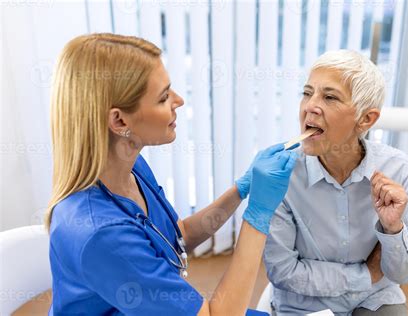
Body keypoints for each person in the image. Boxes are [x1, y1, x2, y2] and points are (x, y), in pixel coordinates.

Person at [46, 33, 298, 315]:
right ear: (119, 121)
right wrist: (259, 214)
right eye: (164, 97)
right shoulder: (102, 234)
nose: (179, 101)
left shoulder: (129, 167)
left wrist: (241, 189)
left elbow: (178, 235)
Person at [264, 50, 408, 316]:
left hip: (374, 298)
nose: (310, 106)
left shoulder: (398, 168)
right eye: (307, 93)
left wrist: (393, 228)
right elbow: (283, 271)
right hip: (305, 303)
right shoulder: (283, 174)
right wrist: (367, 274)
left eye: (329, 97)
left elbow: (404, 274)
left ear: (366, 119)